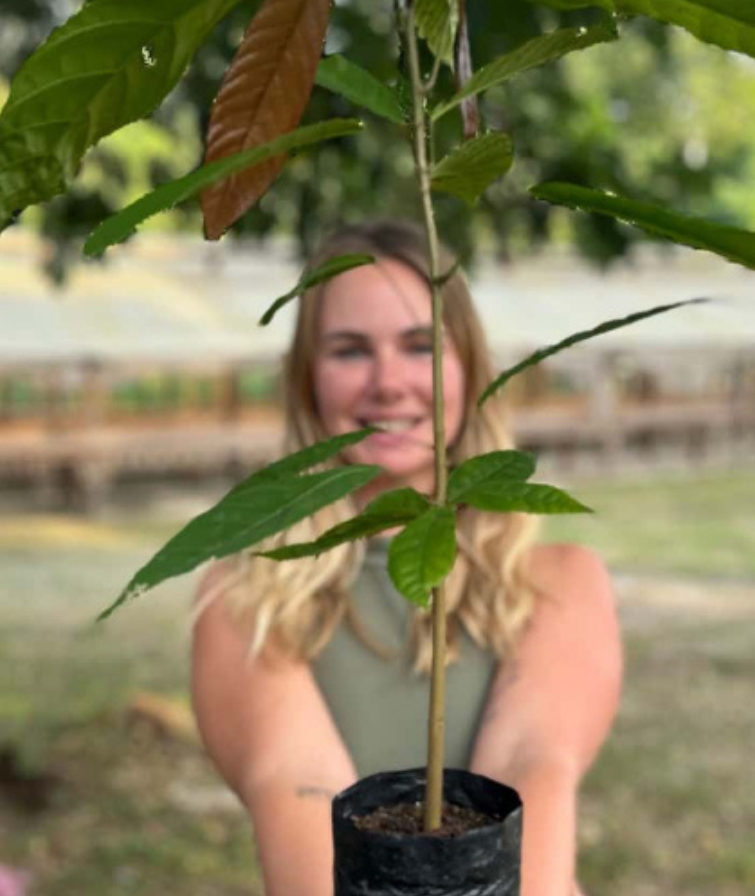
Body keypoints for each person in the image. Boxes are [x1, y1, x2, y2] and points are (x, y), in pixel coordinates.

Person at [191, 220, 622, 896]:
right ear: (307, 379)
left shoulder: (555, 581)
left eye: (421, 345)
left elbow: (529, 778)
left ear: (471, 368)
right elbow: (300, 800)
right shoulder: (248, 595)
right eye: (350, 350)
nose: (388, 383)